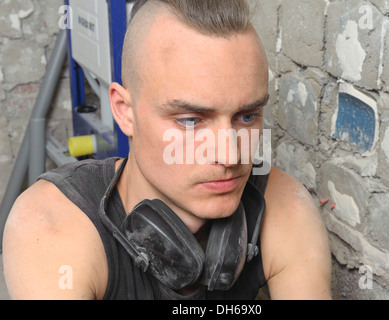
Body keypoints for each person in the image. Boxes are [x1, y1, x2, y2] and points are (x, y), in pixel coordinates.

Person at [3, 0, 331, 300]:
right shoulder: (50, 227)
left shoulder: (283, 206)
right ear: (124, 111)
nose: (231, 156)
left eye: (247, 116)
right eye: (190, 120)